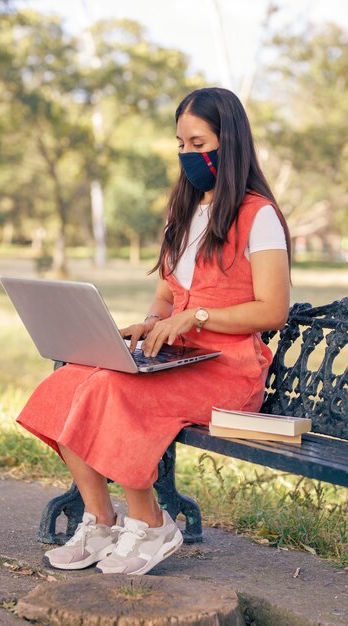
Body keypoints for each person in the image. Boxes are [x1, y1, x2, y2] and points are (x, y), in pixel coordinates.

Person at [17, 87, 291, 575]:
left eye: (198, 142)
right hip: (178, 357)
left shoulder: (258, 215)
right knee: (68, 382)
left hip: (229, 372)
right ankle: (101, 521)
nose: (187, 154)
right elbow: (168, 295)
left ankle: (152, 523)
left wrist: (199, 317)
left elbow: (272, 311)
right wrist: (151, 322)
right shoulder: (183, 212)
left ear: (230, 144)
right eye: (180, 144)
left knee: (114, 389)